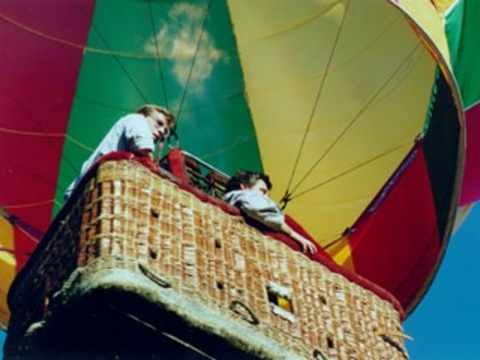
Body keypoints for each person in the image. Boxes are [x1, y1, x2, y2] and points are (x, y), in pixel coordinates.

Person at [64, 104, 175, 200]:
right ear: (144, 115)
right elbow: (144, 149)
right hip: (96, 188)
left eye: (165, 131)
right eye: (159, 123)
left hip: (79, 193)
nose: (161, 131)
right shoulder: (137, 119)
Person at [224, 170, 317, 255]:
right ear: (244, 187)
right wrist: (295, 235)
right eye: (263, 191)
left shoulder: (233, 201)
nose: (266, 198)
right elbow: (256, 209)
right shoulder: (244, 196)